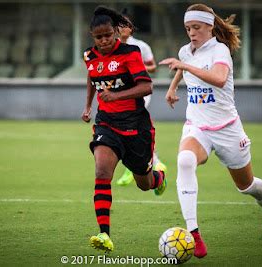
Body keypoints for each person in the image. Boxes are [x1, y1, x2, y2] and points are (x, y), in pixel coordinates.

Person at [159, 3, 262, 259]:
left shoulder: (220, 50)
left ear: (210, 26)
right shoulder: (186, 51)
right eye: (187, 28)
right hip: (197, 127)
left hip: (227, 129)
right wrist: (173, 87)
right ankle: (194, 233)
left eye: (196, 27)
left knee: (247, 186)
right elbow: (184, 66)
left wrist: (183, 67)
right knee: (184, 161)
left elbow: (217, 78)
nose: (191, 33)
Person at [81, 6, 167, 253]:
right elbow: (91, 76)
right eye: (99, 37)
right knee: (101, 171)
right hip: (107, 123)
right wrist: (88, 106)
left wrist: (115, 95)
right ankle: (104, 234)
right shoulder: (89, 55)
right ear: (92, 37)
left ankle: (158, 176)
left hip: (136, 126)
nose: (104, 40)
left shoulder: (130, 52)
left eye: (108, 35)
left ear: (115, 32)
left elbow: (146, 87)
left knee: (144, 183)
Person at [116, 9, 167, 186]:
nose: (122, 28)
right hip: (120, 93)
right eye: (119, 24)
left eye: (126, 25)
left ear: (131, 28)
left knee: (133, 126)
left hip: (139, 92)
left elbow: (153, 67)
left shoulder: (140, 46)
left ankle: (139, 167)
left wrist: (135, 65)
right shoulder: (111, 46)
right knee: (129, 128)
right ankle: (152, 163)